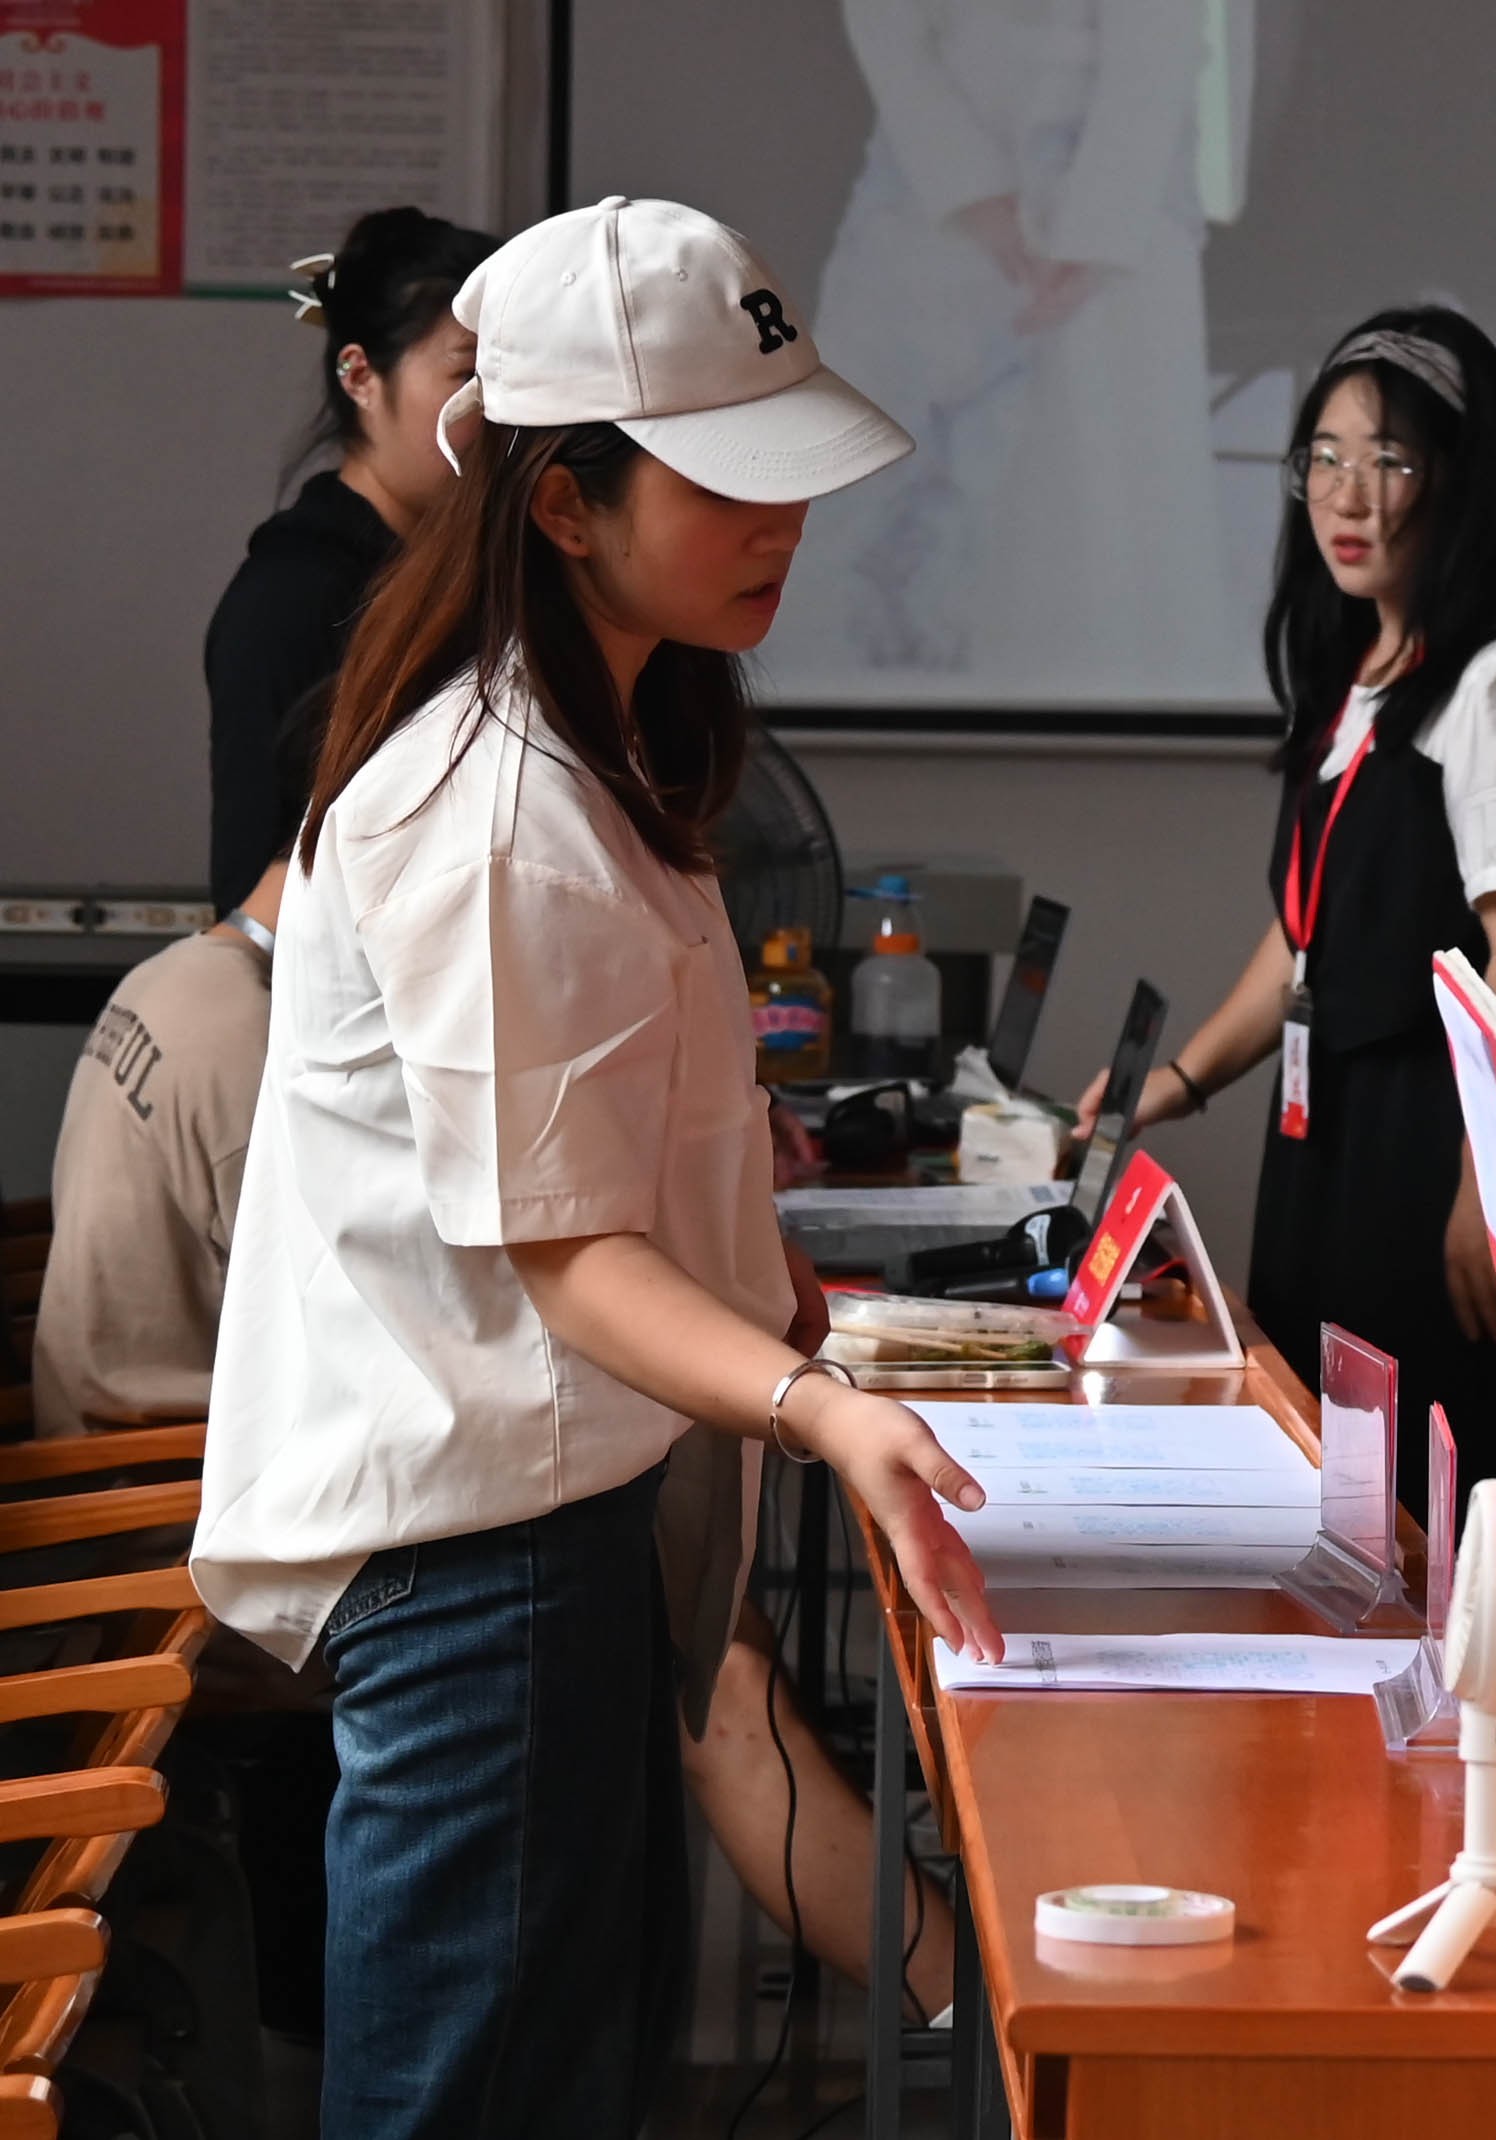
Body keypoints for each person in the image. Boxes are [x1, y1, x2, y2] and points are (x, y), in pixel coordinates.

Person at [189, 197, 1002, 2139]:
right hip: (481, 1561)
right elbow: (563, 1257)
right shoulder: (492, 798)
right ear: (563, 504)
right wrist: (828, 1414)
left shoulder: (602, 743)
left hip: (548, 1531)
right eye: (727, 480)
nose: (782, 520)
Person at [1074, 306, 1496, 1706]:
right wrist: (1173, 1087)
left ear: (1462, 479)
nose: (1347, 495)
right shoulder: (1362, 678)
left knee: (1461, 1507)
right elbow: (1303, 939)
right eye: (1321, 457)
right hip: (1335, 1143)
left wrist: (1488, 1188)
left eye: (1389, 460)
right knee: (1348, 1501)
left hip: (1435, 1148)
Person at [785, 0, 1242, 698]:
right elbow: (886, 29)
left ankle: (1104, 681)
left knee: (1099, 459)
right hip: (935, 181)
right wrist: (976, 195)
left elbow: (1156, 51)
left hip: (1118, 191)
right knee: (884, 452)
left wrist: (1093, 232)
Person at [206, 207, 495, 916]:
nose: (497, 411)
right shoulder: (292, 597)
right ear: (359, 375)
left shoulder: (492, 571)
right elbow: (257, 890)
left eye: (511, 379)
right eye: (467, 375)